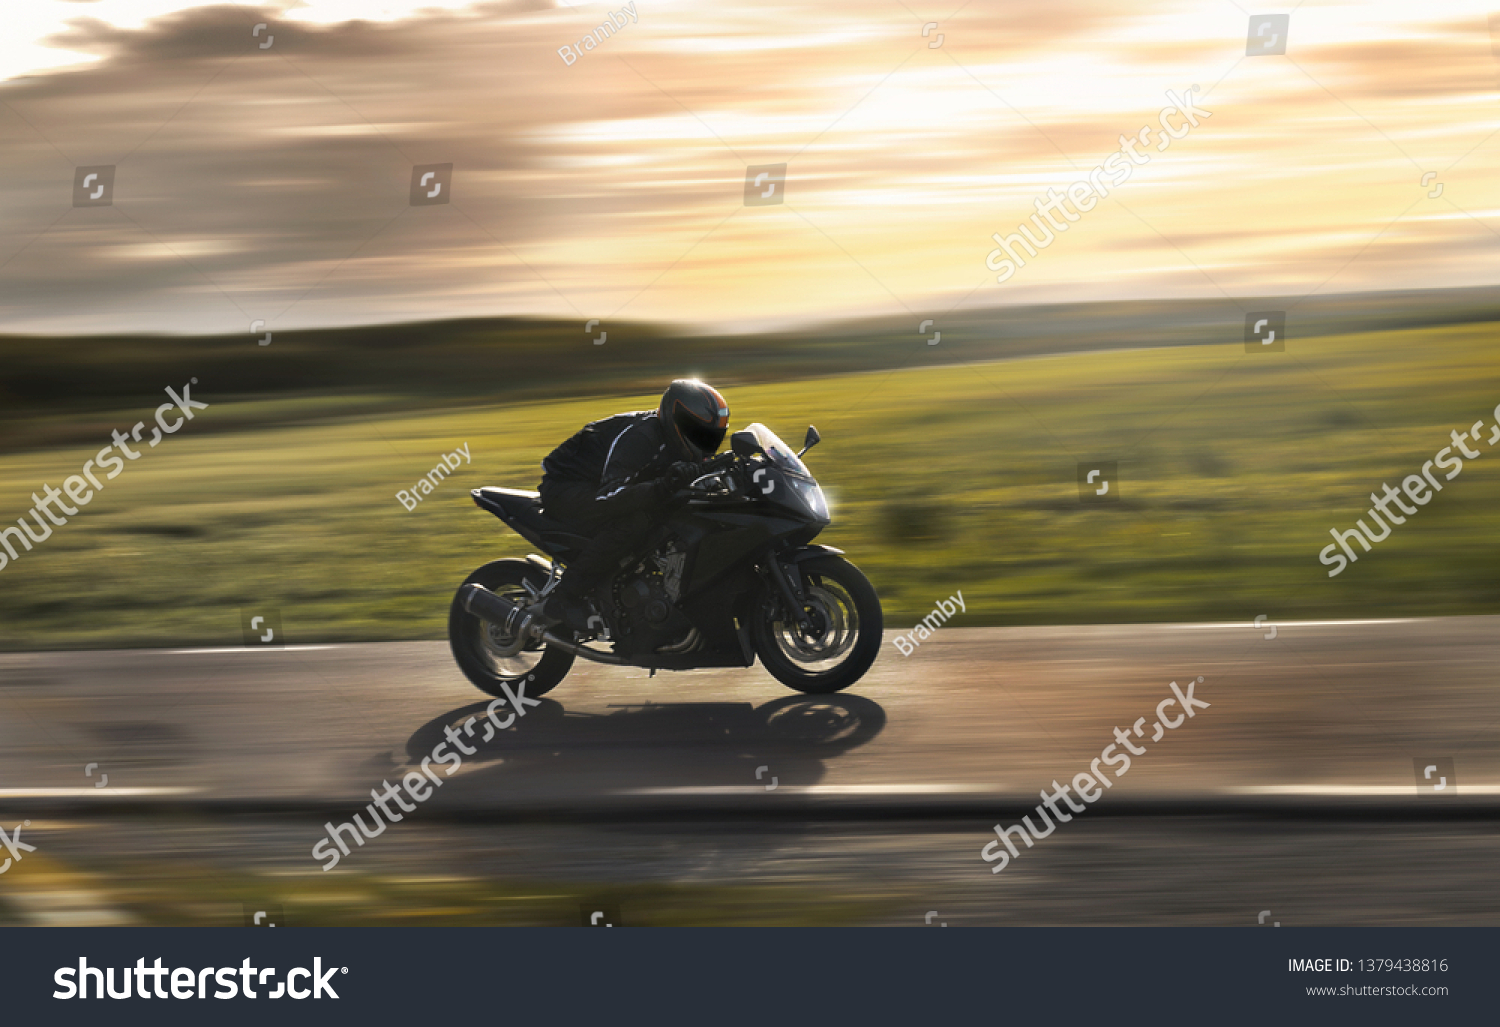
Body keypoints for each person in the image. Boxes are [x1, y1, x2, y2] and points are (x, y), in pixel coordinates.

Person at [536, 379, 730, 633]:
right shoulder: (642, 438)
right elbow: (610, 495)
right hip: (566, 487)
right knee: (635, 521)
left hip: (601, 486)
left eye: (712, 437)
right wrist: (664, 486)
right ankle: (564, 598)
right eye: (699, 434)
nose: (705, 443)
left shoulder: (677, 444)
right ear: (677, 420)